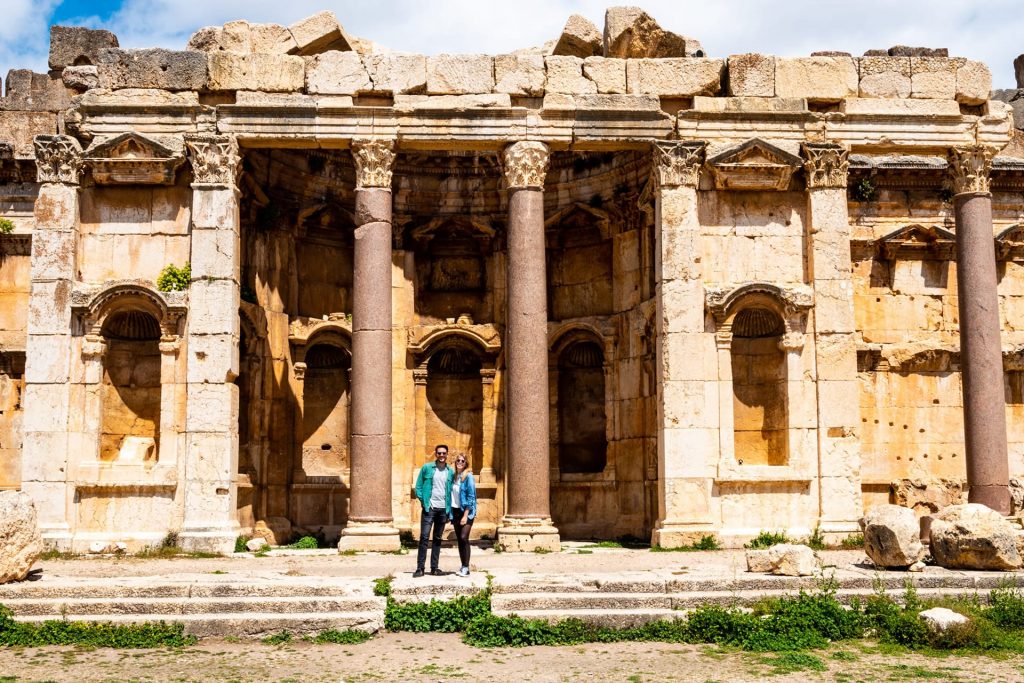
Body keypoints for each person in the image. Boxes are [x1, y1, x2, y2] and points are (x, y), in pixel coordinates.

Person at [412, 444, 453, 577]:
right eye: (439, 453)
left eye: (444, 453)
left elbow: (451, 490)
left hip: (443, 509)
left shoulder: (450, 471)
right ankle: (420, 568)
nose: (442, 455)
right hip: (430, 508)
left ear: (447, 455)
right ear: (436, 454)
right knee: (424, 537)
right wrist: (424, 502)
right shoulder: (427, 468)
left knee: (437, 538)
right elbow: (418, 487)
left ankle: (434, 567)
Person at [449, 452, 477, 577]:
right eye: (458, 461)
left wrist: (465, 515)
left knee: (464, 538)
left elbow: (471, 497)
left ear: (466, 464)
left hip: (466, 511)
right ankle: (463, 566)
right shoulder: (455, 476)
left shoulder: (468, 477)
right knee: (460, 540)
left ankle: (466, 567)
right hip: (455, 511)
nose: (460, 463)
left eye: (462, 461)